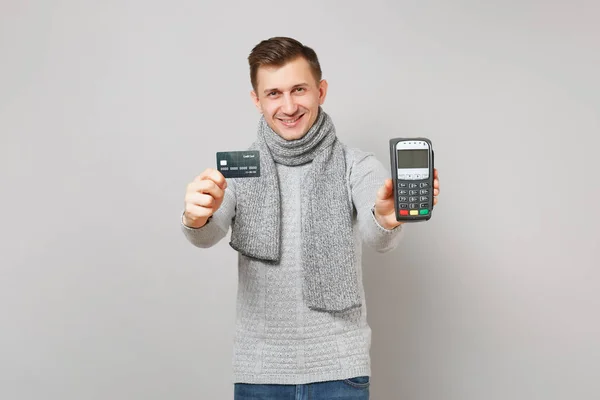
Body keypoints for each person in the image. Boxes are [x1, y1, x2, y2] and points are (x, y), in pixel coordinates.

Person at [181, 37, 440, 400]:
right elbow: (207, 234)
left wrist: (386, 216)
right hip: (260, 374)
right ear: (257, 100)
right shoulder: (239, 170)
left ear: (320, 90)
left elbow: (379, 237)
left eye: (299, 89)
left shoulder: (357, 166)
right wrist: (195, 217)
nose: (288, 106)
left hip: (340, 373)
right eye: (273, 94)